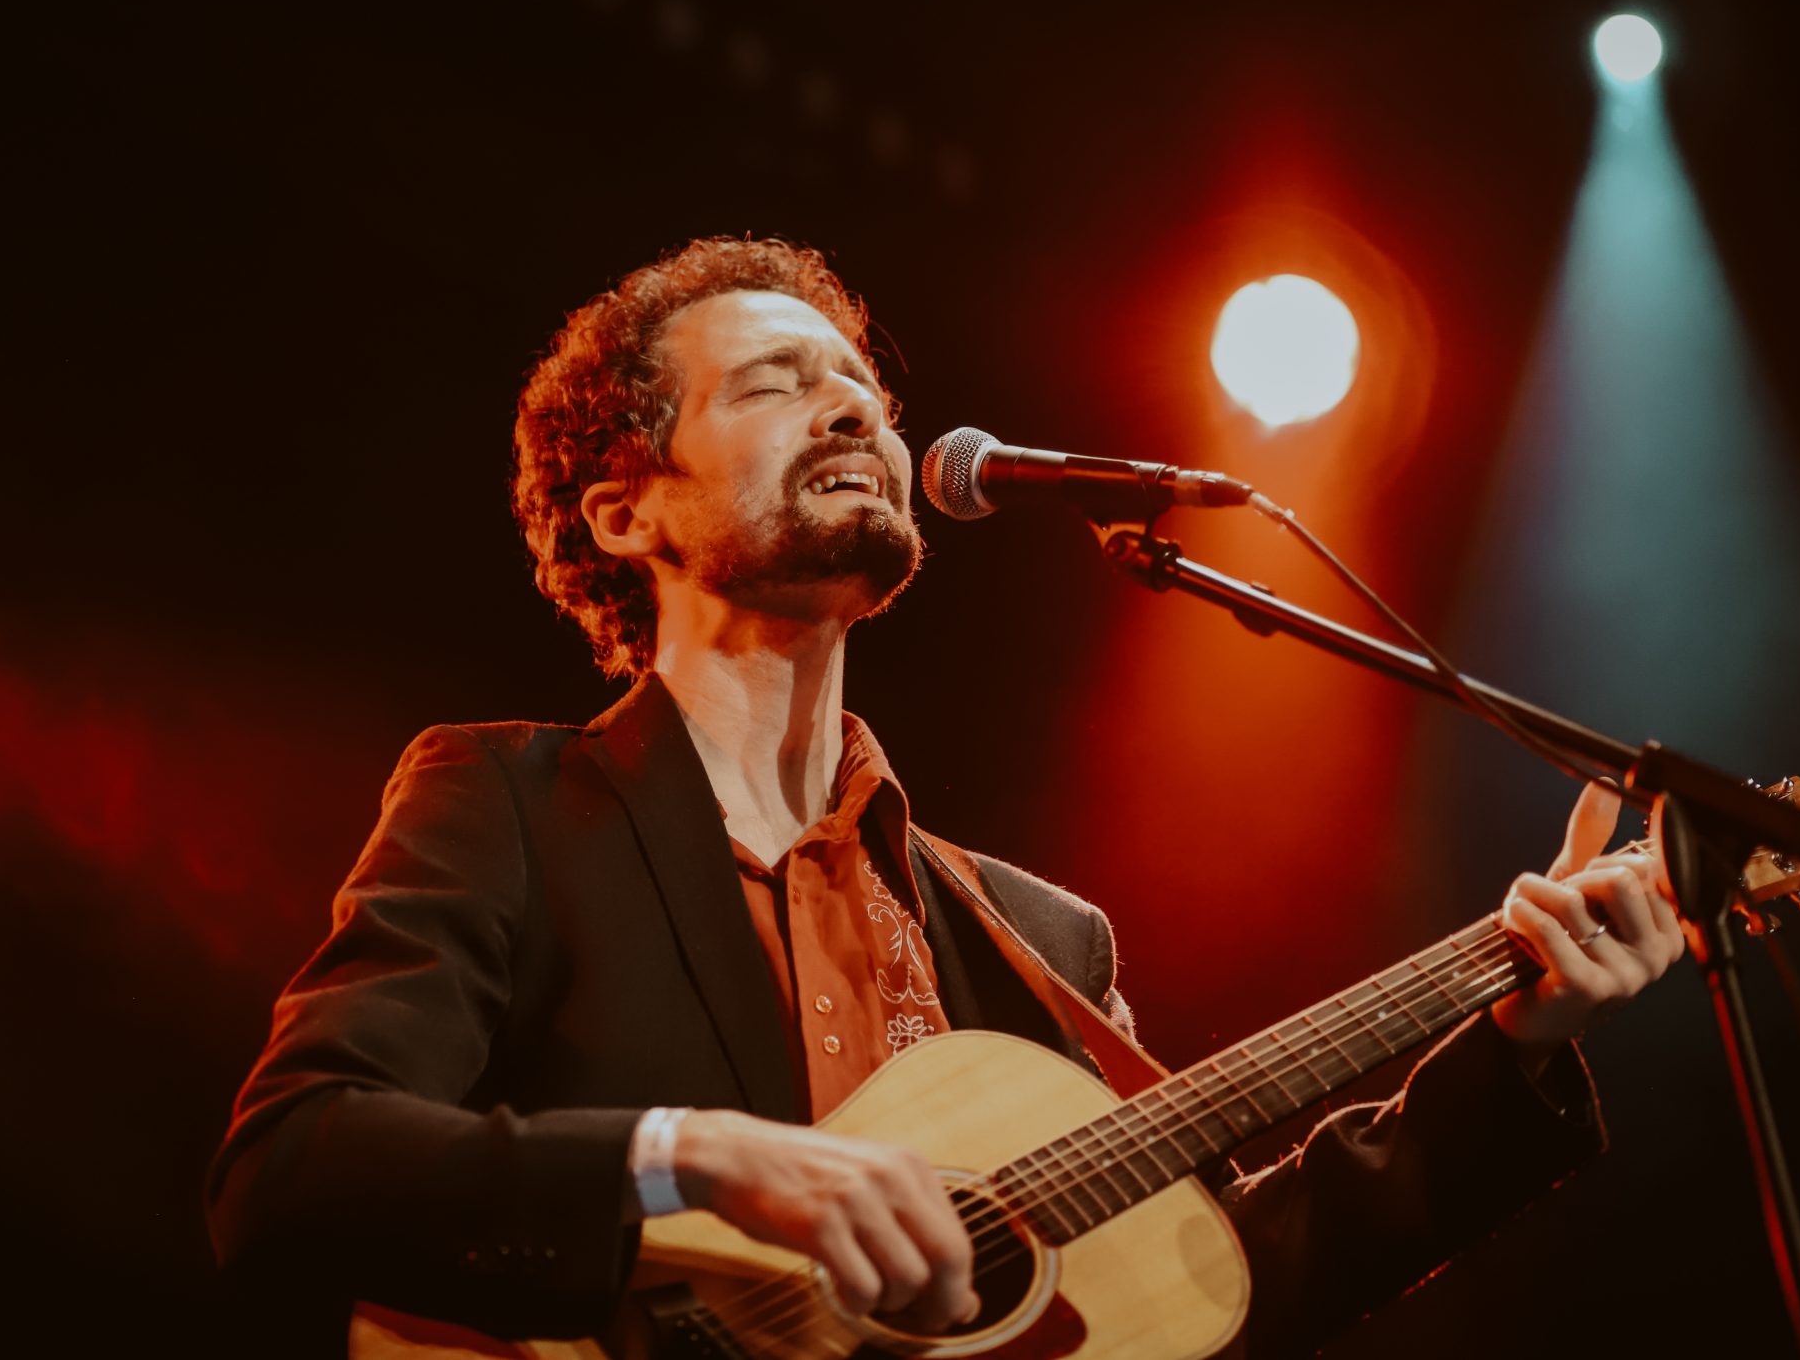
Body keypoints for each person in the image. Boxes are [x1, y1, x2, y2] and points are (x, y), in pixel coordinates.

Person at [209, 238, 1684, 1356]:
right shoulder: (512, 805)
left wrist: (1518, 1035)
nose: (850, 410)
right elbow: (296, 1165)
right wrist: (688, 1161)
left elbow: (1220, 1292)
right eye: (777, 384)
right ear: (624, 510)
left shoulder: (1038, 935)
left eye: (861, 388)